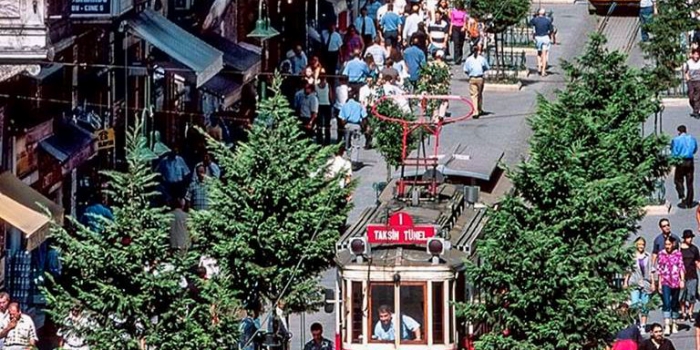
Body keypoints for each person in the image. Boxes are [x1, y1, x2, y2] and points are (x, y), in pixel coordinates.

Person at [624, 237, 654, 334]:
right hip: (634, 282)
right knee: (635, 304)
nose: (641, 246)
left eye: (642, 244)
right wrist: (625, 282)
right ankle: (636, 322)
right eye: (639, 244)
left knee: (645, 305)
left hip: (645, 283)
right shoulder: (632, 257)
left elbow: (651, 271)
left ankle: (643, 326)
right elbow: (628, 270)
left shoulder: (648, 256)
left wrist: (653, 283)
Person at [657, 236, 685, 335]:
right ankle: (667, 325)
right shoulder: (661, 254)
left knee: (674, 303)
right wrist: (659, 283)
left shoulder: (677, 254)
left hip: (676, 281)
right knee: (666, 303)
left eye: (669, 244)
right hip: (665, 281)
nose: (667, 246)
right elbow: (659, 269)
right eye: (666, 244)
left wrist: (682, 280)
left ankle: (674, 323)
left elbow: (681, 267)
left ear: (673, 244)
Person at [671, 124, 697, 208]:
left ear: (679, 132)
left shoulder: (676, 140)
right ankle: (689, 202)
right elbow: (695, 149)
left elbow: (674, 152)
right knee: (690, 182)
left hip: (680, 161)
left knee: (678, 179)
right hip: (690, 161)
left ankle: (682, 195)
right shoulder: (692, 139)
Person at [463, 44, 489, 118]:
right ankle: (479, 108)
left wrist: (470, 74)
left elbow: (465, 70)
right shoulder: (482, 59)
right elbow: (486, 67)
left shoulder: (468, 59)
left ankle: (475, 111)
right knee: (479, 94)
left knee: (474, 95)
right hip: (480, 78)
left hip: (472, 78)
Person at [680, 229, 700, 321]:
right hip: (682, 276)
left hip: (693, 275)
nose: (690, 239)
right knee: (682, 296)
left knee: (692, 295)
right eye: (688, 237)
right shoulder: (680, 249)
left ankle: (690, 312)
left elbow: (697, 262)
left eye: (691, 237)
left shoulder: (694, 249)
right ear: (684, 238)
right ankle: (683, 312)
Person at [530, 8, 554, 76]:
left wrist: (535, 16)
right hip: (545, 37)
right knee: (544, 54)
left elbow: (530, 23)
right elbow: (551, 30)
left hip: (538, 38)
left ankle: (539, 67)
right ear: (545, 14)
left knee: (539, 52)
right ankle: (543, 71)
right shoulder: (547, 21)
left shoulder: (535, 20)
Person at [315, 76, 334, 145]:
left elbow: (315, 96)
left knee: (319, 124)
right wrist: (332, 104)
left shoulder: (316, 86)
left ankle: (319, 141)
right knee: (327, 125)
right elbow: (330, 96)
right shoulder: (328, 85)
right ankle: (327, 141)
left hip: (319, 105)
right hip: (327, 105)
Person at [684, 50, 700, 118]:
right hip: (691, 81)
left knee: (697, 97)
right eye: (695, 54)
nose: (696, 56)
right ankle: (695, 108)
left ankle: (696, 111)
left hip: (698, 81)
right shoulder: (689, 62)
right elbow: (686, 72)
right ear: (692, 55)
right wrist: (688, 79)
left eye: (698, 55)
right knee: (691, 97)